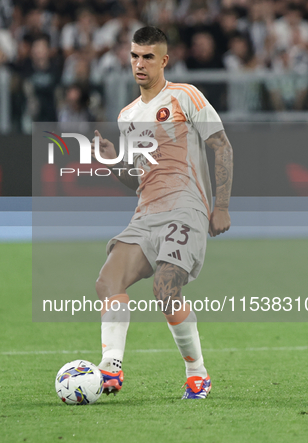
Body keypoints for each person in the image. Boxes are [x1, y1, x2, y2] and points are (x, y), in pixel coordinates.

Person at [91, 27, 233, 399]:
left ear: (164, 60)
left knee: (166, 289)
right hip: (146, 212)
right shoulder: (128, 115)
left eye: (148, 56)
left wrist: (220, 206)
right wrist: (110, 160)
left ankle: (197, 374)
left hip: (185, 208)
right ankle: (110, 370)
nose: (140, 63)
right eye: (135, 55)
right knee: (108, 282)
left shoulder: (185, 96)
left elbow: (222, 146)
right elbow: (137, 178)